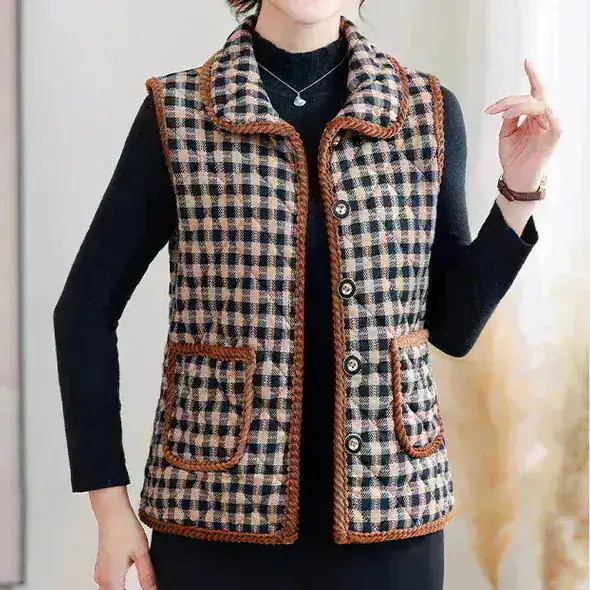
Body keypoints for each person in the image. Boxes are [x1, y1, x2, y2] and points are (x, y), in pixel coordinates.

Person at [53, 1, 562, 589]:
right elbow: (84, 311)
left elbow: (452, 327)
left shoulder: (425, 112)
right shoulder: (180, 113)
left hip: (391, 521)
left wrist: (520, 186)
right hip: (216, 516)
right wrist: (109, 506)